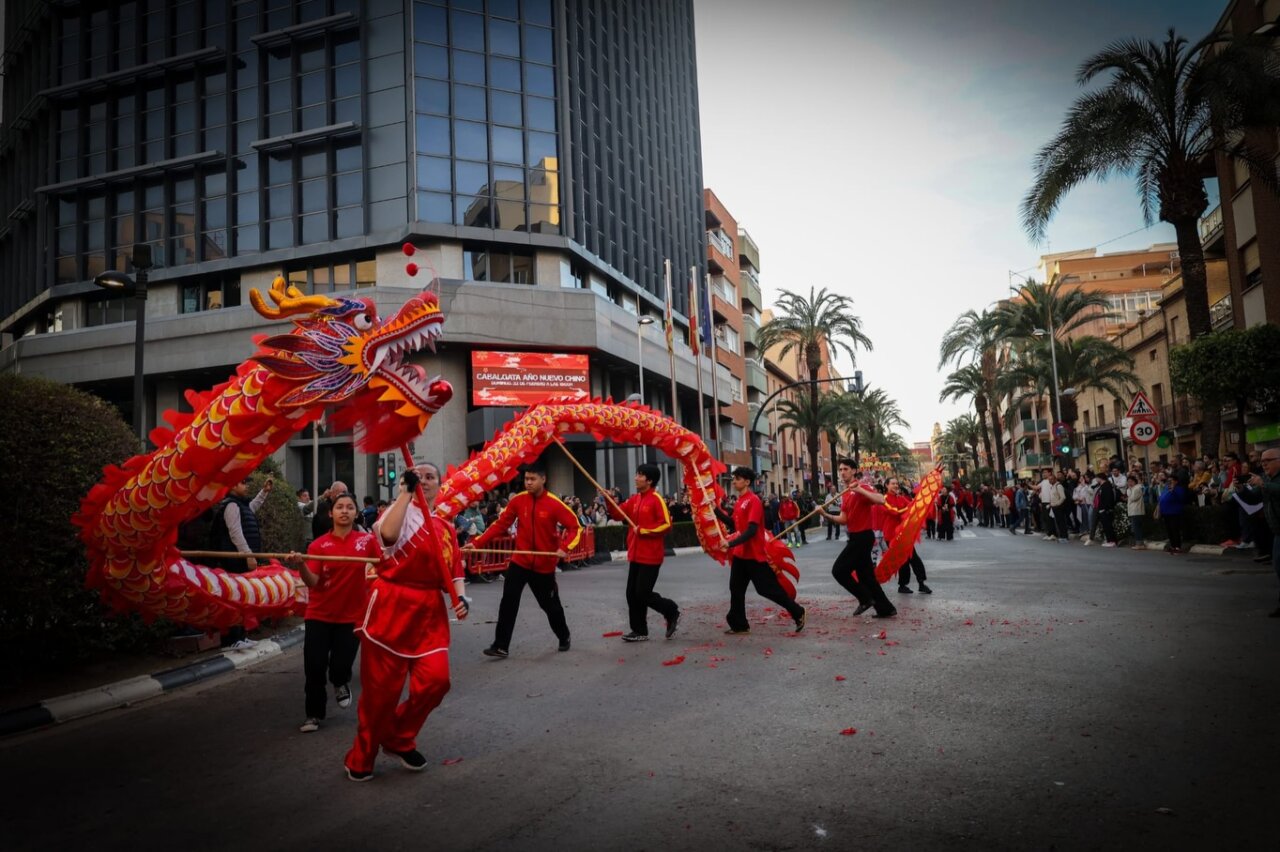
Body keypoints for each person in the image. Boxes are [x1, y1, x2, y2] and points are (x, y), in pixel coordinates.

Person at [342, 463, 469, 782]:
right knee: (380, 696)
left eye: (430, 478)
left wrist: (461, 598)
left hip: (428, 614)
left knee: (437, 682)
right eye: (418, 477)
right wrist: (404, 494)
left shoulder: (444, 527)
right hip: (390, 609)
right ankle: (362, 755)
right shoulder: (396, 514)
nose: (424, 481)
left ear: (440, 485)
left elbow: (454, 570)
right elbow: (387, 535)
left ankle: (398, 736)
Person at [465, 463, 582, 657]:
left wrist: (564, 548)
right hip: (520, 561)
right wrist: (476, 543)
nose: (528, 483)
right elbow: (500, 525)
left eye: (532, 479)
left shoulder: (554, 503)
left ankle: (564, 635)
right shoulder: (518, 501)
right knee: (508, 601)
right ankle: (501, 645)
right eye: (526, 479)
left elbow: (575, 527)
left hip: (544, 566)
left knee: (549, 606)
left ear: (543, 479)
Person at [290, 492, 378, 734]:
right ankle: (313, 714)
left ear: (356, 513)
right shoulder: (318, 545)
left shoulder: (367, 541)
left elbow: (384, 567)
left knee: (340, 666)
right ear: (331, 513)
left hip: (352, 616)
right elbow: (313, 582)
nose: (344, 511)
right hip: (319, 614)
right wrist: (301, 564)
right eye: (339, 507)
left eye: (350, 507)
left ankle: (340, 682)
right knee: (314, 666)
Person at [715, 467, 806, 634]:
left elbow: (751, 530)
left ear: (747, 482)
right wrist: (715, 512)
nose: (734, 481)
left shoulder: (753, 501)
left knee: (767, 589)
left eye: (737, 479)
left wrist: (731, 543)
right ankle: (739, 624)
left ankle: (797, 611)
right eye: (733, 479)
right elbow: (735, 525)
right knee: (735, 588)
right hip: (741, 555)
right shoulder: (740, 501)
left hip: (754, 555)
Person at [604, 463, 680, 642]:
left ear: (650, 480)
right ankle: (639, 630)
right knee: (632, 594)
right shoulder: (635, 499)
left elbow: (666, 525)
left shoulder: (656, 499)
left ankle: (671, 610)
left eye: (640, 475)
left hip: (651, 556)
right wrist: (609, 500)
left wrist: (644, 531)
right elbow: (618, 515)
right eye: (637, 474)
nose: (636, 477)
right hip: (635, 555)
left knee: (642, 593)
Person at [821, 459, 896, 619]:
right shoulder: (846, 493)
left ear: (854, 471)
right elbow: (843, 519)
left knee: (839, 571)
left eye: (846, 469)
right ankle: (886, 608)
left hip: (863, 537)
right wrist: (825, 514)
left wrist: (860, 490)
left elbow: (881, 500)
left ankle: (864, 599)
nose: (842, 472)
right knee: (866, 576)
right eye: (840, 469)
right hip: (855, 536)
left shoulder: (862, 487)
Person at [209, 474, 273, 649]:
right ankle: (231, 639)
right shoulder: (230, 505)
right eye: (243, 482)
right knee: (234, 598)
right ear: (232, 486)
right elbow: (235, 533)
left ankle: (240, 636)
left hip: (240, 561)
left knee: (243, 597)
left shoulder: (240, 505)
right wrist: (248, 555)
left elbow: (251, 509)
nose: (246, 486)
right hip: (233, 561)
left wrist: (264, 493)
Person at [1247, 449, 1280, 617]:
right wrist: (1241, 489)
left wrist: (1263, 484)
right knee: (1278, 567)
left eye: (1268, 460)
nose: (1264, 463)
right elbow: (1253, 497)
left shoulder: (1268, 481)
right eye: (1262, 461)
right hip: (1277, 531)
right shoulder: (1266, 479)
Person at [885, 478, 930, 595]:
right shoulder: (884, 499)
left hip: (904, 535)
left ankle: (921, 583)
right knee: (902, 561)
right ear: (886, 486)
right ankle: (903, 585)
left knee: (914, 558)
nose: (895, 486)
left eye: (896, 484)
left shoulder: (900, 498)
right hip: (892, 536)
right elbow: (895, 512)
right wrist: (910, 507)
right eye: (892, 484)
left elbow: (912, 506)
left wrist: (922, 500)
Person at [1158, 476, 1189, 555]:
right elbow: (1161, 497)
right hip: (1166, 513)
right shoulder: (1166, 488)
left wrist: (1173, 490)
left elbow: (1181, 498)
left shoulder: (1179, 489)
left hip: (1174, 513)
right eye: (1168, 480)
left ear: (1176, 481)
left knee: (1175, 530)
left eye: (1171, 480)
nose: (1169, 482)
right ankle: (1172, 546)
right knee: (1169, 530)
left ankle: (1177, 547)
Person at [1126, 474, 1147, 550]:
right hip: (1133, 511)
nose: (1129, 483)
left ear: (1135, 482)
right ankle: (1139, 543)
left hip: (1137, 511)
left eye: (1131, 481)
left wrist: (1129, 490)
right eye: (1128, 482)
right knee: (1135, 528)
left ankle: (1140, 544)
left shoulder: (1137, 488)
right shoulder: (1132, 489)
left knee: (1137, 528)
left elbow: (1133, 498)